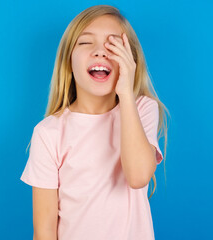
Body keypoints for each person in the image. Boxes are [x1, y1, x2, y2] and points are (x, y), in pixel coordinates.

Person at [20, 4, 170, 240]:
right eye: (86, 42)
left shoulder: (141, 109)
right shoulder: (49, 133)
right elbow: (44, 231)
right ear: (68, 61)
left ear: (130, 61)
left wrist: (126, 95)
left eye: (114, 45)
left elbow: (139, 175)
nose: (101, 52)